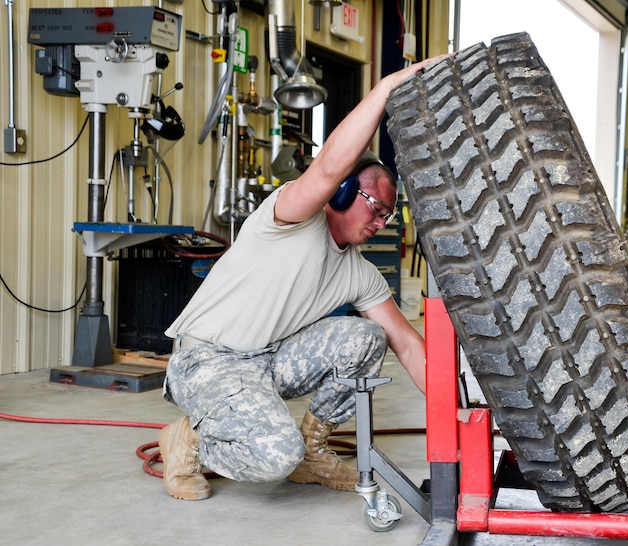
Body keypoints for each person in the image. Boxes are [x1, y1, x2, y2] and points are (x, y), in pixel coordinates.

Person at [158, 55, 447, 500]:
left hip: (267, 361)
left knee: (367, 337)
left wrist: (461, 412)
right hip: (207, 360)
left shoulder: (360, 274)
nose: (383, 222)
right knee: (275, 455)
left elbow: (408, 344)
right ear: (345, 193)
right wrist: (387, 88)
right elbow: (330, 167)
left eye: (391, 215)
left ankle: (314, 452)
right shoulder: (291, 216)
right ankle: (188, 440)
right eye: (377, 207)